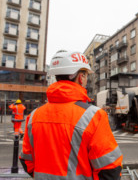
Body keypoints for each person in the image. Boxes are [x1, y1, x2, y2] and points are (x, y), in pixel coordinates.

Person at [19, 50, 123, 180]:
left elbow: (26, 161)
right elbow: (110, 169)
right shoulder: (94, 116)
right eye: (85, 75)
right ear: (81, 77)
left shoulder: (34, 116)